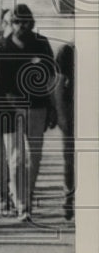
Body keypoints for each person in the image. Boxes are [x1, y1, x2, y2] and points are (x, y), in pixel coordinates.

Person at [0, 3, 55, 221]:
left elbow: (51, 77)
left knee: (33, 158)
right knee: (16, 158)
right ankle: (22, 204)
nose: (22, 26)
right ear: (10, 23)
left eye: (26, 21)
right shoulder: (3, 46)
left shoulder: (41, 43)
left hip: (38, 107)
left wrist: (53, 108)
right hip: (11, 109)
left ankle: (26, 194)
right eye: (17, 21)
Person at [53, 41, 74, 221]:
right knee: (71, 159)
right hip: (72, 111)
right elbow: (58, 85)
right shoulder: (67, 51)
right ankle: (69, 198)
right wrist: (61, 114)